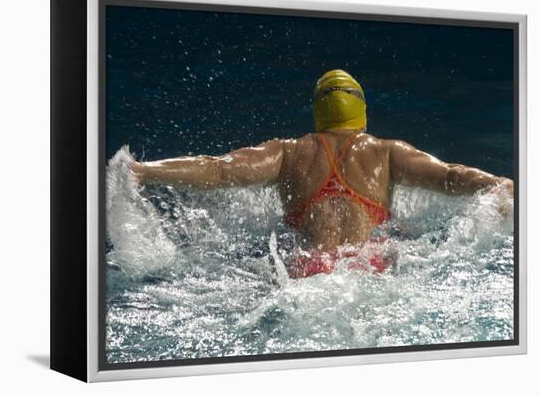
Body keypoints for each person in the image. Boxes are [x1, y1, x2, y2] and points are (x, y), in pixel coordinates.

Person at [131, 70, 514, 279]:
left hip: (303, 272)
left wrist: (143, 171)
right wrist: (498, 184)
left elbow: (217, 170)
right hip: (368, 269)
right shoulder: (385, 152)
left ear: (319, 111)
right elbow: (450, 177)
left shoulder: (287, 152)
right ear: (361, 110)